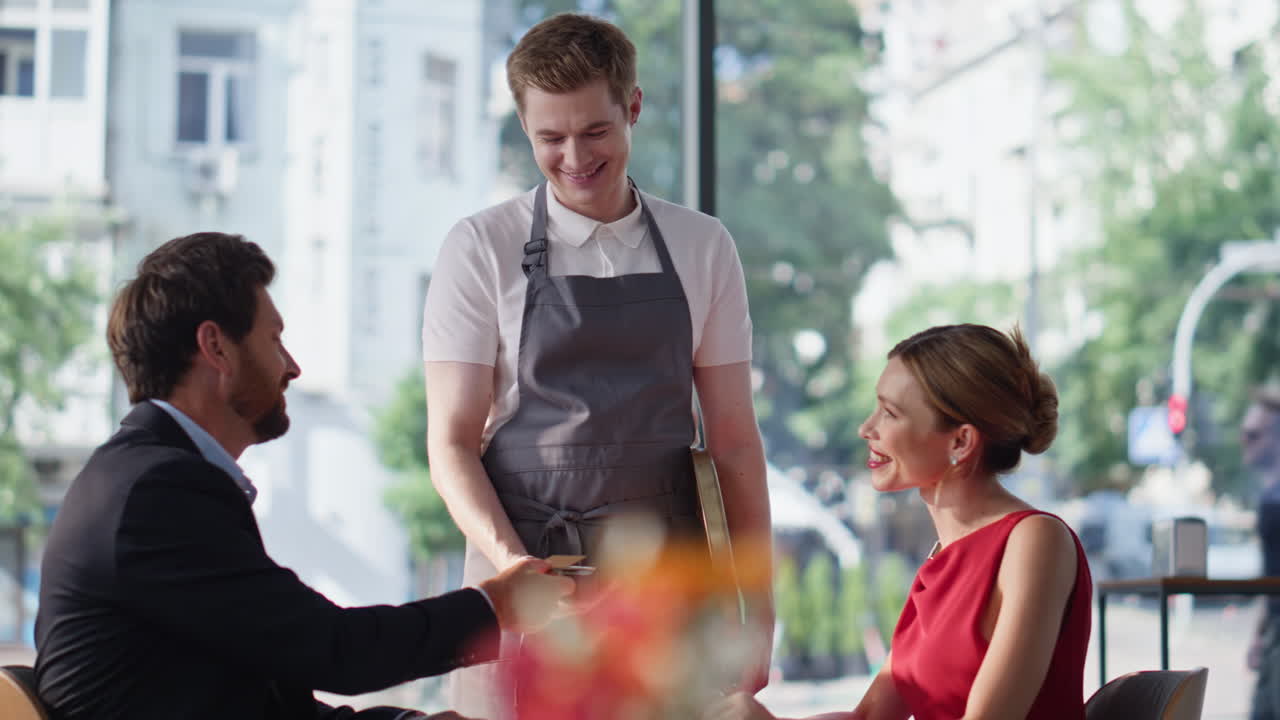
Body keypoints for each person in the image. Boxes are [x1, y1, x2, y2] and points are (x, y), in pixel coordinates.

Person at [34, 232, 575, 720]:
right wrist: (495, 605)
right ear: (216, 347)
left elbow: (261, 696)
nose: (291, 366)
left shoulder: (144, 478)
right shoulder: (156, 494)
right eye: (274, 340)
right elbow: (332, 651)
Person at [420, 12, 772, 719]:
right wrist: (514, 569)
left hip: (666, 595)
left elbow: (733, 440)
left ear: (633, 107)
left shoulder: (703, 247)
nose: (574, 157)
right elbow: (452, 442)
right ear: (525, 128)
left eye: (595, 131)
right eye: (551, 138)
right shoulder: (480, 248)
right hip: (526, 582)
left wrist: (757, 609)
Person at [706, 324, 1093, 720]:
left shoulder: (1034, 540)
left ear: (960, 442)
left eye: (889, 413)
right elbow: (869, 717)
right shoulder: (940, 560)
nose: (866, 429)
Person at [1246, 388, 1280, 720]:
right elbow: (1270, 571)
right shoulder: (1269, 495)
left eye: (1253, 434)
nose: (1245, 441)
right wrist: (1260, 632)